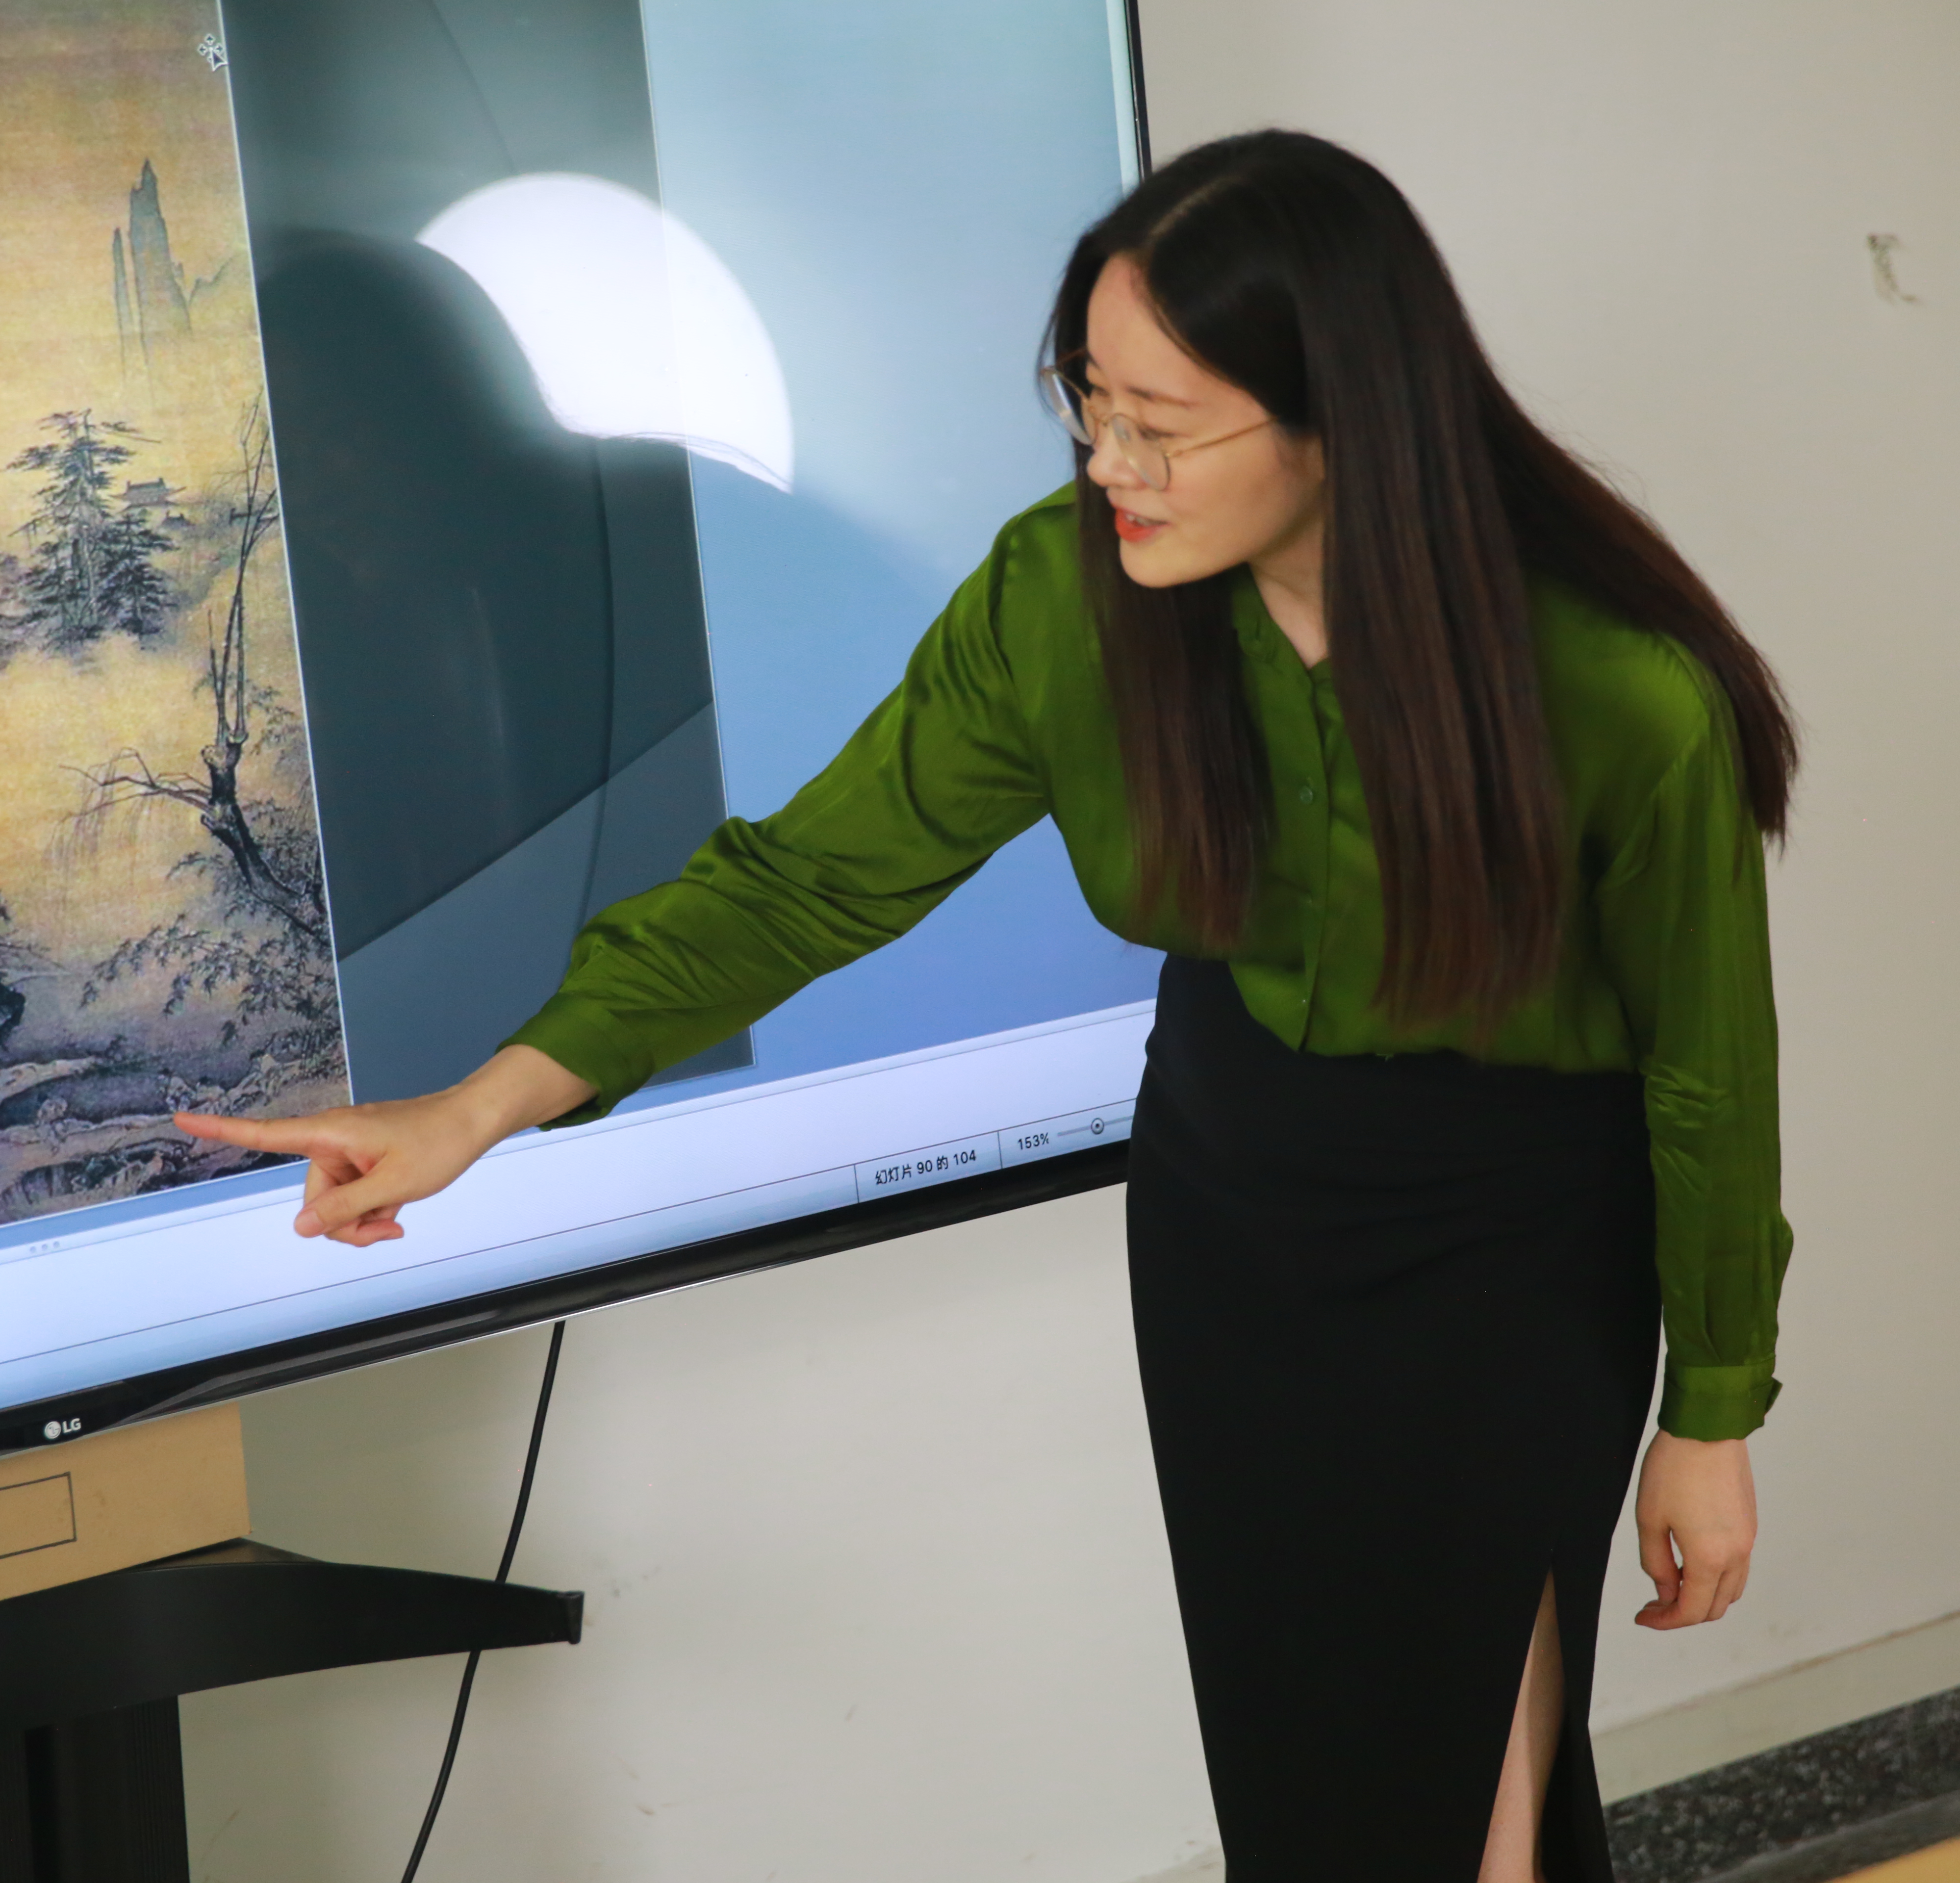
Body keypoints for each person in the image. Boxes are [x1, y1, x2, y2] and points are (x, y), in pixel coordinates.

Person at [181, 129, 1795, 1883]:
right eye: (1088, 401)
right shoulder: (1062, 595)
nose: (1111, 464)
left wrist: (1709, 1413)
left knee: (1475, 1778)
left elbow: (1709, 1079)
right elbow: (807, 880)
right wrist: (478, 1107)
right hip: (1238, 1219)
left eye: (1162, 423)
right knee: (1306, 1770)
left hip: (1509, 1248)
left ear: (1346, 420)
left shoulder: (1620, 694)